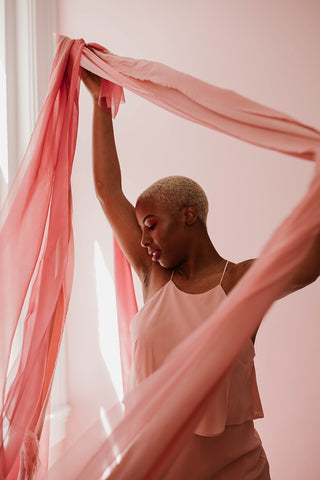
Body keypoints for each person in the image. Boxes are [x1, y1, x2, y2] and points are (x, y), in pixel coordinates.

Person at [81, 69, 320, 479]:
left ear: (188, 214)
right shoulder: (151, 277)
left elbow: (311, 263)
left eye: (150, 224)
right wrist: (100, 100)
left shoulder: (242, 282)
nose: (141, 240)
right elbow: (107, 190)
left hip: (237, 470)